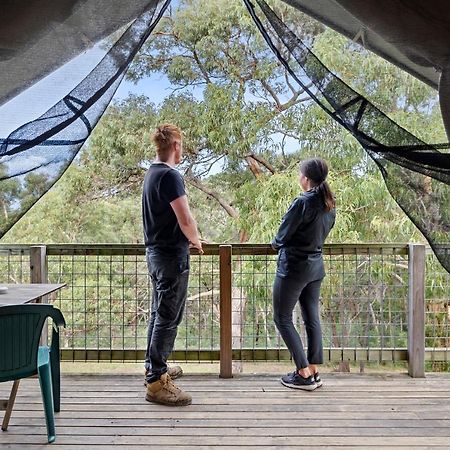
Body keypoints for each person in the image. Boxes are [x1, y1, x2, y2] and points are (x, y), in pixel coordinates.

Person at [142, 124, 203, 406]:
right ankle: (156, 382)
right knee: (168, 318)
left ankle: (156, 368)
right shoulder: (170, 176)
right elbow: (185, 218)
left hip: (155, 254)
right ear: (176, 145)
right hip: (170, 258)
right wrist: (196, 240)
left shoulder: (151, 174)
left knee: (158, 314)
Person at [272, 158, 336, 390]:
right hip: (316, 267)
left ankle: (303, 372)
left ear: (306, 178)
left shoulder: (303, 202)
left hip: (294, 268)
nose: (299, 178)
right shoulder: (329, 202)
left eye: (300, 175)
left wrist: (275, 243)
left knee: (282, 317)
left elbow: (283, 234)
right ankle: (315, 370)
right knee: (312, 317)